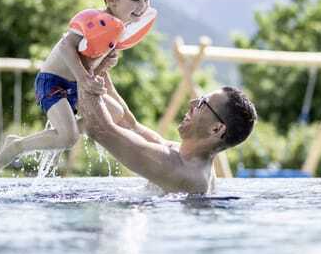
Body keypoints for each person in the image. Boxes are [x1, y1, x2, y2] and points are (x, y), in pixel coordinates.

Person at [0, 0, 157, 170]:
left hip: (78, 84)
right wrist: (85, 79)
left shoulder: (117, 33)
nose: (142, 6)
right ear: (111, 0)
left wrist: (103, 73)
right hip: (53, 82)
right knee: (67, 138)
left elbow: (95, 71)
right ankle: (17, 145)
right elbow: (65, 47)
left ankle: (78, 127)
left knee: (115, 114)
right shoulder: (93, 20)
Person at [78, 81, 257, 194]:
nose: (192, 103)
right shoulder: (181, 155)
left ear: (216, 129)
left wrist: (80, 75)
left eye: (202, 104)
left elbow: (101, 130)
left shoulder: (183, 173)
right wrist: (102, 64)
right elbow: (129, 124)